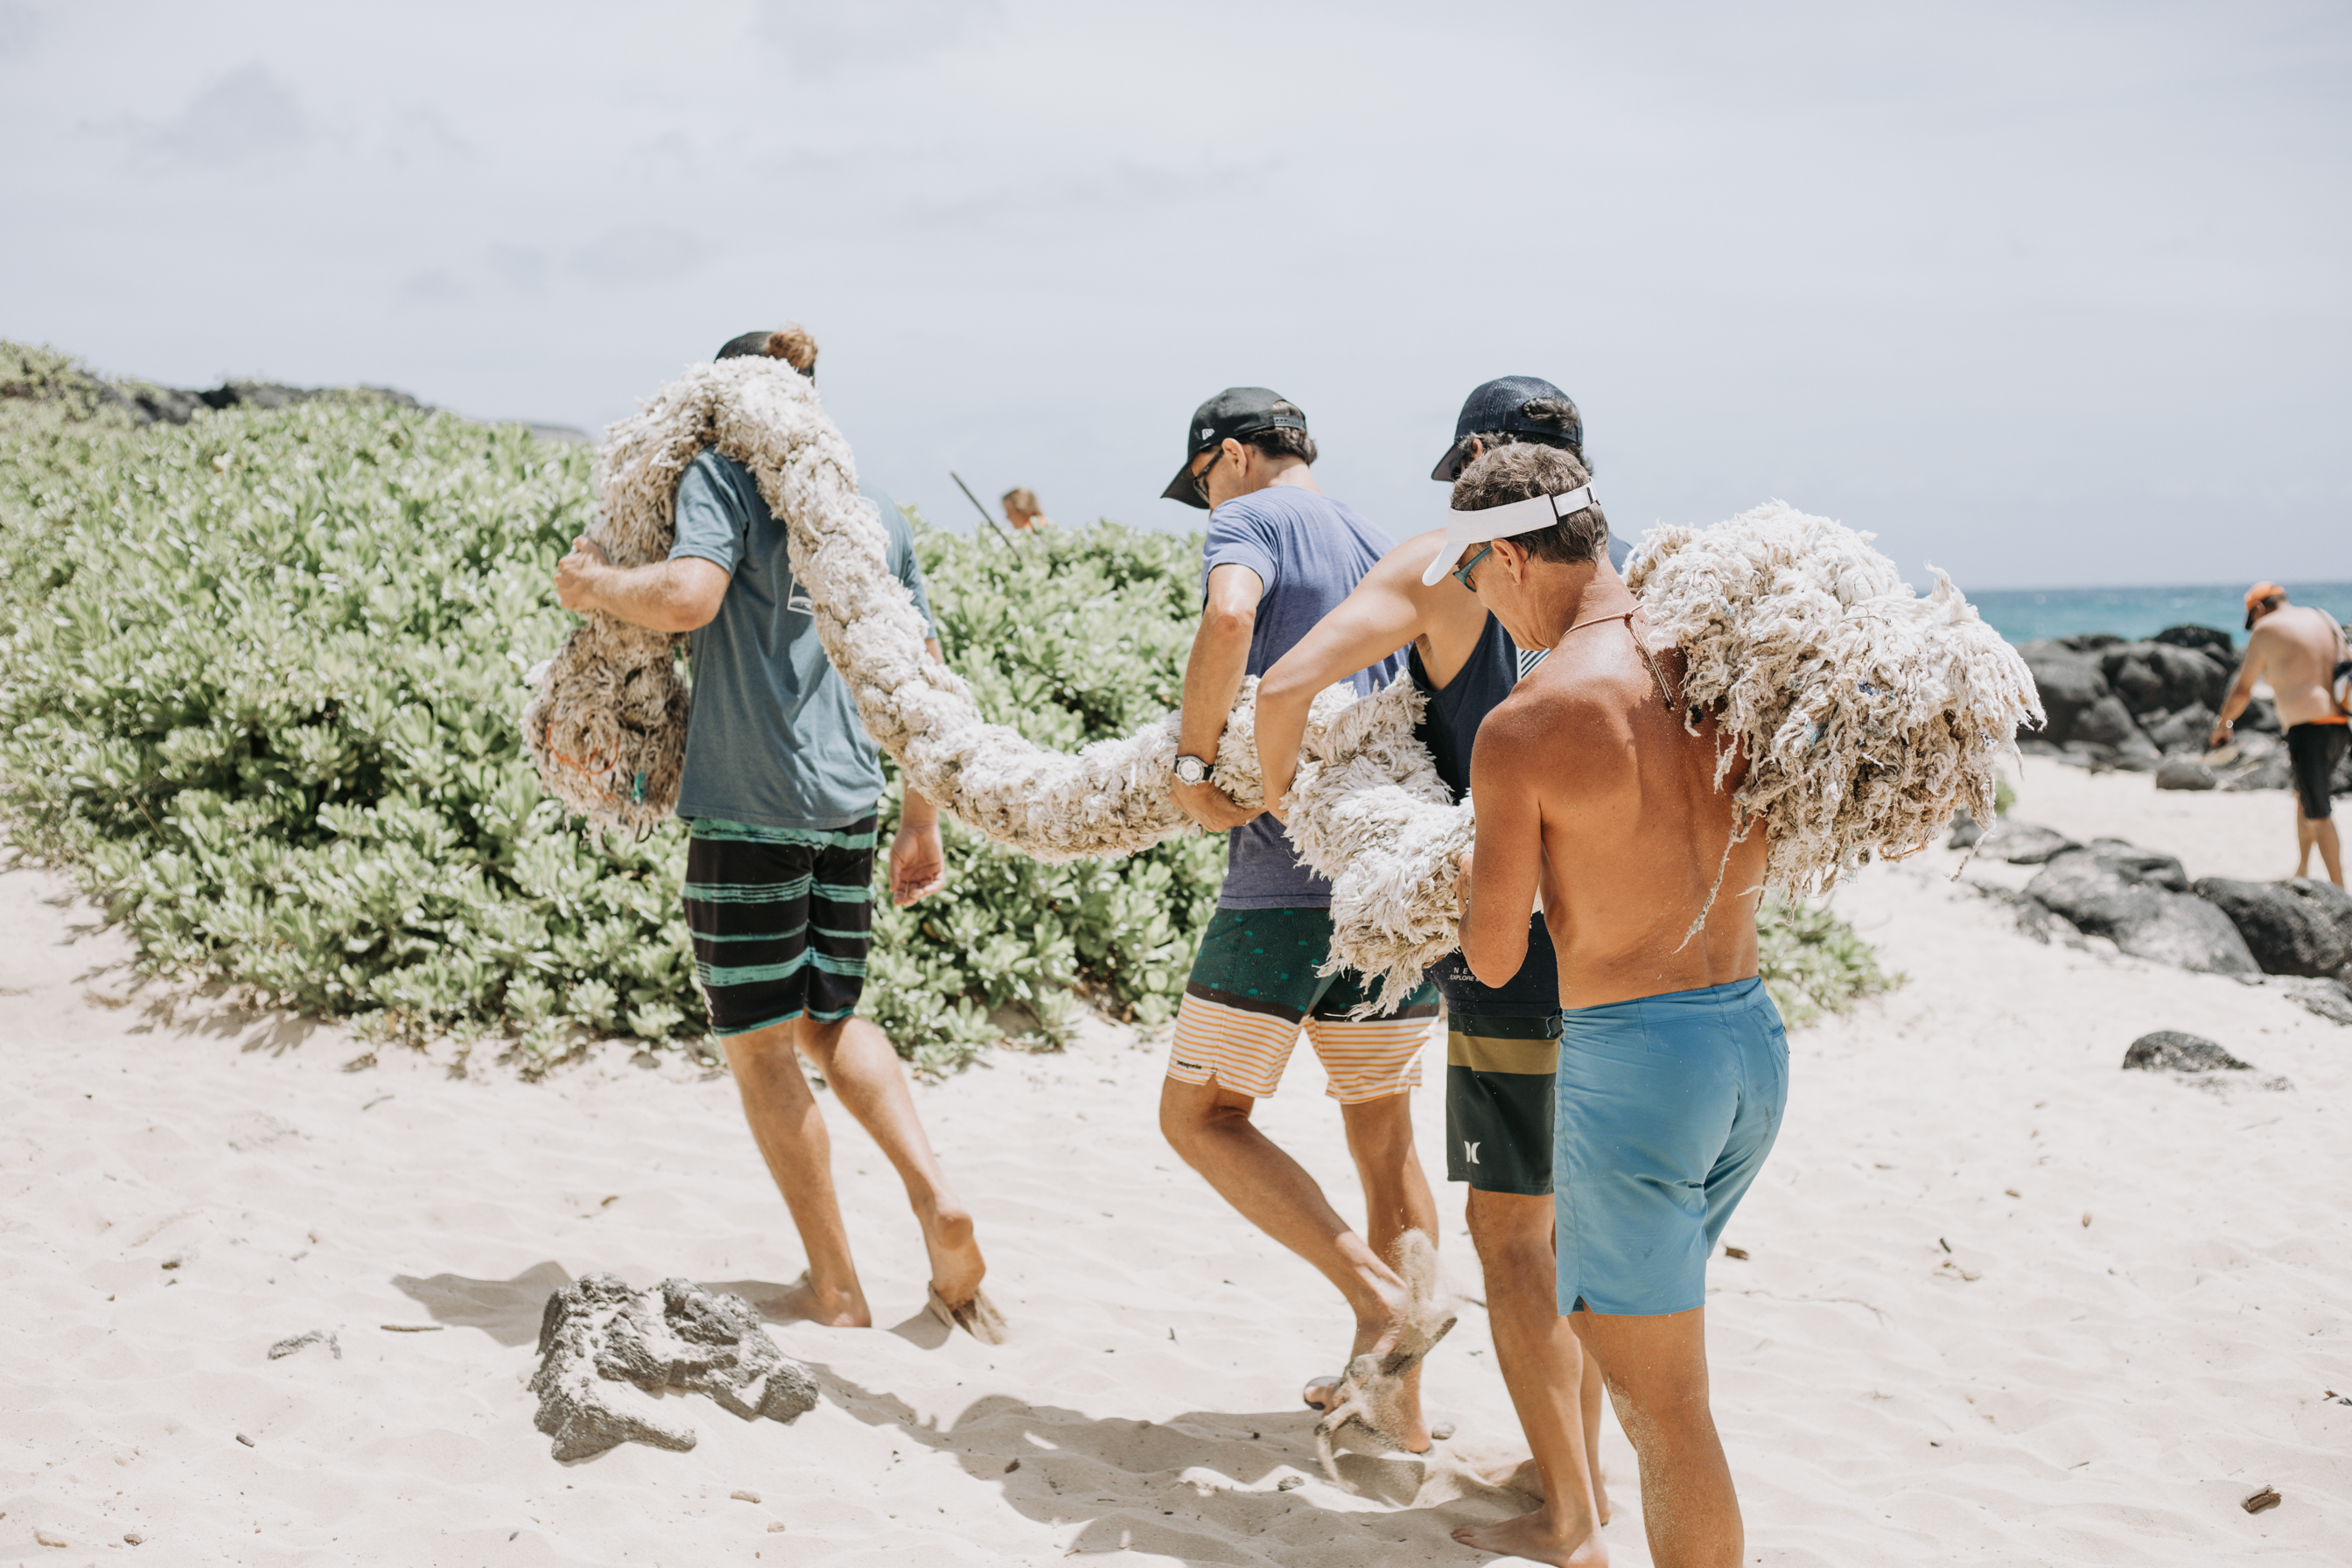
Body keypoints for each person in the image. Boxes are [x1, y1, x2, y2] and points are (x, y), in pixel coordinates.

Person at [552, 324, 1003, 1342]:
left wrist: (590, 586)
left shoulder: (725, 477)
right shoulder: (870, 510)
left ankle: (836, 1287)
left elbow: (687, 595)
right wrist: (920, 816)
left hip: (749, 804)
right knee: (831, 1020)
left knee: (761, 1048)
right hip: (849, 805)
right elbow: (917, 669)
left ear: (725, 402)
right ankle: (935, 1194)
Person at [1253, 374, 1616, 1558]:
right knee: (1589, 1228)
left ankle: (1564, 1515)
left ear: (1486, 466)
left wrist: (1260, 792)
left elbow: (1291, 678)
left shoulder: (1450, 562)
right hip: (1636, 950)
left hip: (1515, 946)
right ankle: (1579, 1474)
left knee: (1513, 1235)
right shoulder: (1634, 577)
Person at [1448, 442, 1786, 1568]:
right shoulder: (1728, 663)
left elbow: (1494, 958)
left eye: (1474, 577)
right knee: (1639, 1342)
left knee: (1665, 1410)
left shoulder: (1532, 717)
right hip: (1748, 1039)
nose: (1478, 601)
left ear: (1507, 554)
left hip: (1637, 1067)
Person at [1155, 385, 1452, 1450]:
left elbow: (1230, 616)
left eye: (1199, 482)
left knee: (1198, 1116)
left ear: (1230, 455)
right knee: (1384, 1135)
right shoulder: (1387, 537)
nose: (1202, 505)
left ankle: (1381, 1299)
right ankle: (1399, 1411)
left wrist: (1195, 765)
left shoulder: (1250, 518)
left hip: (1284, 885)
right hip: (1390, 888)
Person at [2209, 582, 2349, 886]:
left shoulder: (2266, 628)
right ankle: (2301, 871)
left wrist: (2223, 725)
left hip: (2308, 727)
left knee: (2318, 810)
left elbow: (2243, 689)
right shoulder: (2321, 617)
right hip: (2340, 725)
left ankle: (2340, 892)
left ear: (2259, 609)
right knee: (2304, 798)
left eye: (2253, 619)